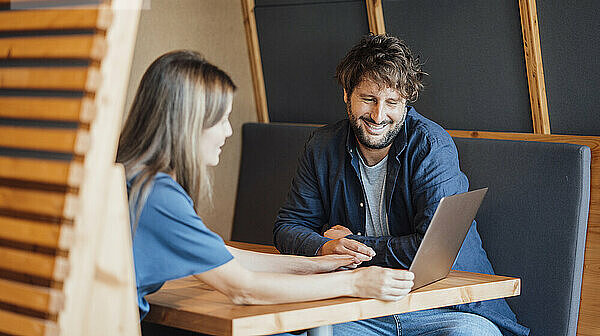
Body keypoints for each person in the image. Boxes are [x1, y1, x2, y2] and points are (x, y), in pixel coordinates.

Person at [117, 50, 415, 336]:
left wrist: (316, 265)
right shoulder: (157, 195)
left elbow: (223, 256)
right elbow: (244, 288)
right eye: (221, 119)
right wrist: (355, 282)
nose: (229, 132)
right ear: (188, 123)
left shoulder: (136, 180)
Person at [273, 34, 530, 336]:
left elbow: (431, 249)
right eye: (368, 99)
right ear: (347, 94)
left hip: (443, 309)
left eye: (391, 102)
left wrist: (355, 245)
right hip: (361, 309)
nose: (378, 115)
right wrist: (326, 246)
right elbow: (288, 226)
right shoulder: (322, 147)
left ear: (406, 102)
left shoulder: (431, 147)